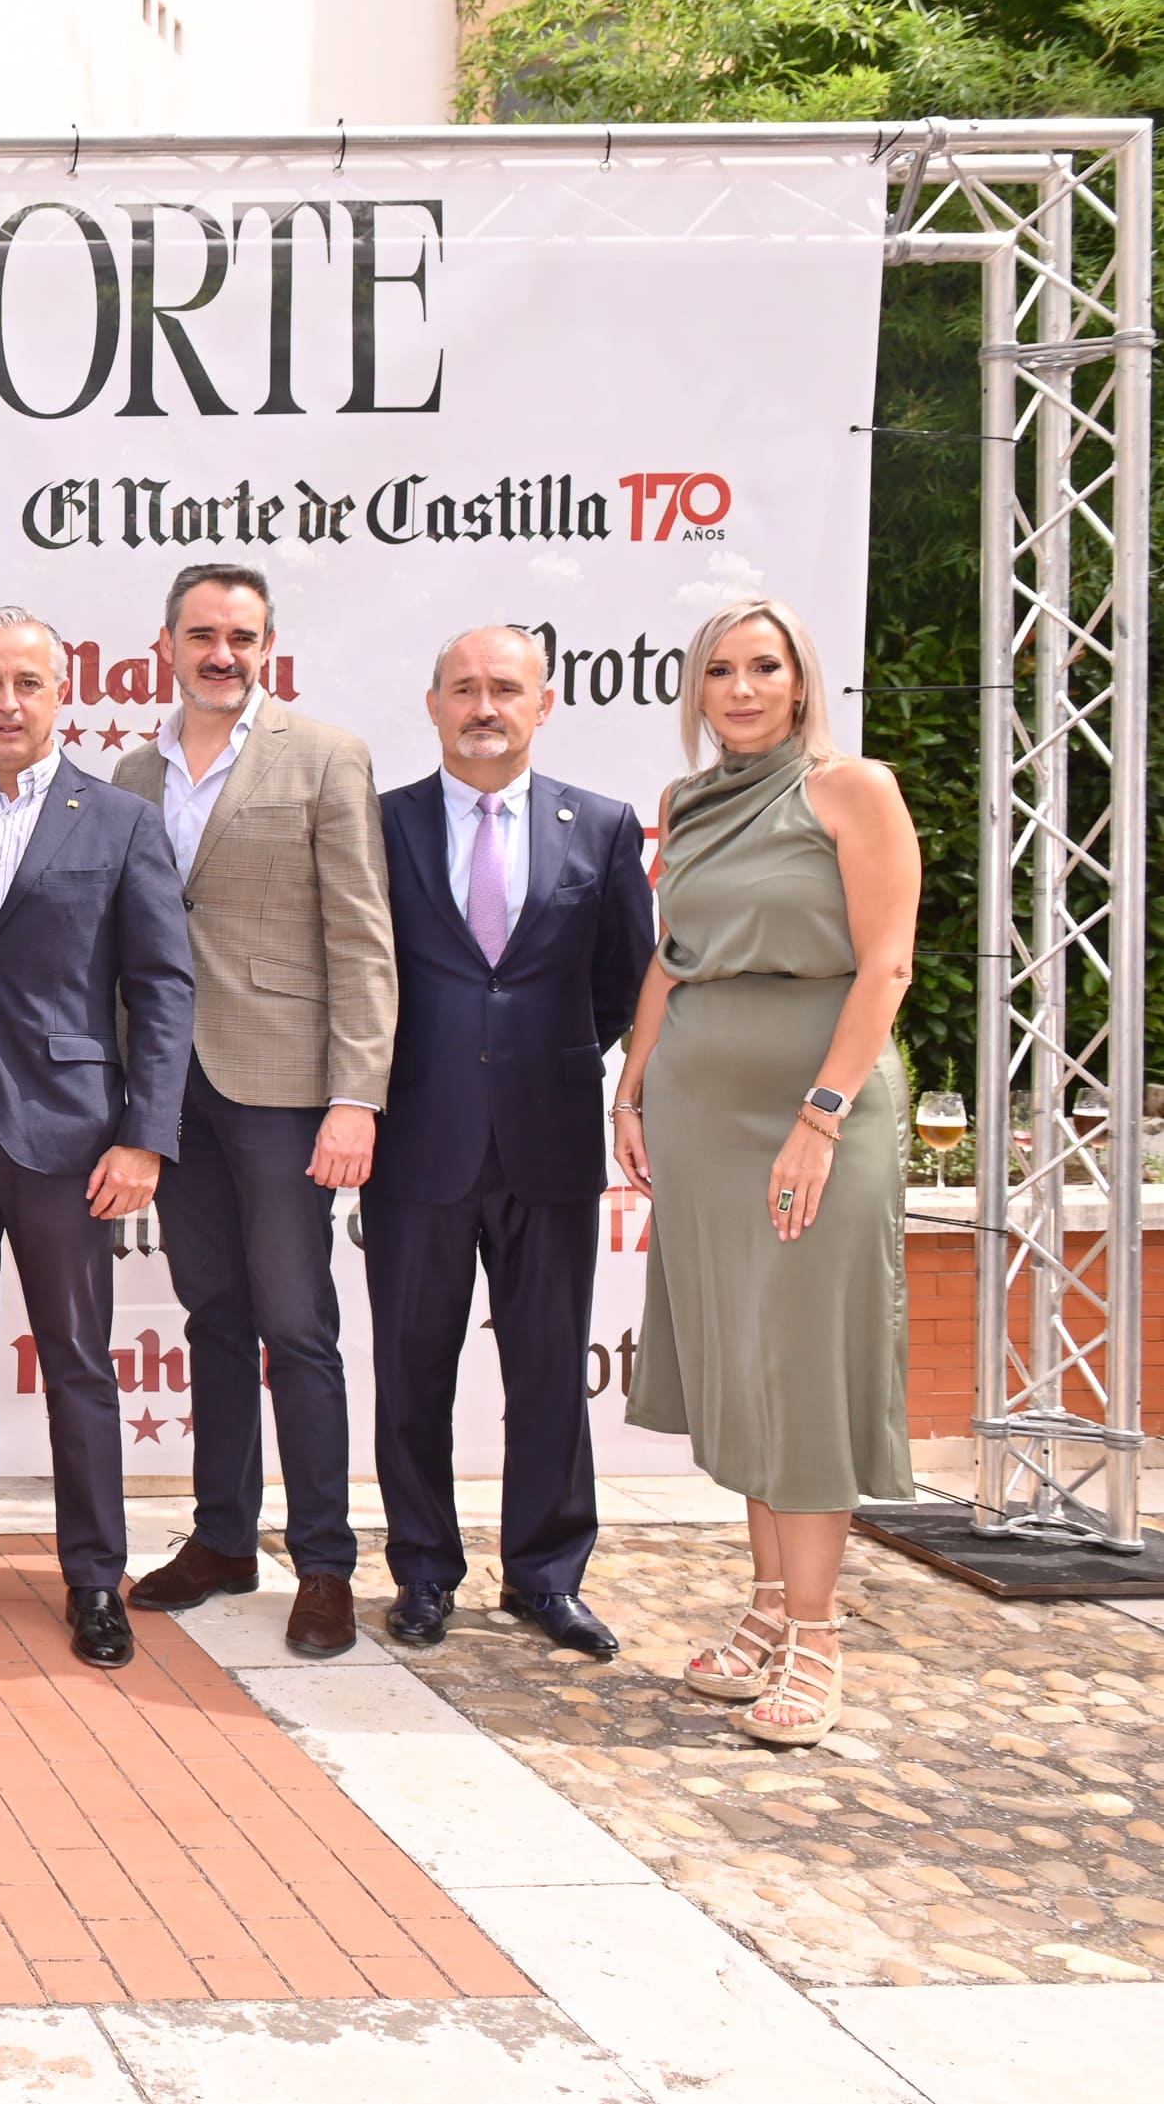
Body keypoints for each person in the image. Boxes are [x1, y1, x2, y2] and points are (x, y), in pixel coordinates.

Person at [613, 598, 917, 1748]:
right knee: (741, 1356)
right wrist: (631, 1082)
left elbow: (883, 964)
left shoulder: (853, 790)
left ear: (800, 682)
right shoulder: (685, 802)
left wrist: (821, 1114)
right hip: (700, 1107)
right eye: (718, 672)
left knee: (799, 1358)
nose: (739, 689)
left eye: (761, 668)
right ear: (696, 692)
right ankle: (762, 1608)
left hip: (816, 1107)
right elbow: (671, 957)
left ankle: (816, 1634)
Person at [0, 608, 192, 1670]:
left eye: (26, 682)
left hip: (68, 1136)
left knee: (74, 1359)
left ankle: (93, 1575)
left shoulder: (115, 820)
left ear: (61, 694)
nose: (6, 702)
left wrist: (146, 1135)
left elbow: (158, 988)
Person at [113, 563, 395, 1660]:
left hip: (283, 1092)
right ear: (166, 645)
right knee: (211, 1319)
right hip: (171, 1092)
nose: (218, 652)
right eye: (199, 634)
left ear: (266, 644)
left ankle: (321, 1561)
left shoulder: (323, 757)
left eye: (238, 634)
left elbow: (362, 938)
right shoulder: (133, 771)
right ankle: (222, 1538)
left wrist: (353, 1095)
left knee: (298, 1328)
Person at [365, 627, 654, 1658]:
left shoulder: (604, 826)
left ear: (543, 704)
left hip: (549, 1136)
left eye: (503, 688)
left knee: (545, 1370)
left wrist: (556, 1059)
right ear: (432, 703)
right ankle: (422, 1570)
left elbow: (625, 975)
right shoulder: (380, 824)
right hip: (415, 1142)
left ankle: (544, 1574)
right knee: (410, 1371)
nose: (482, 705)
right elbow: (360, 972)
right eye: (463, 689)